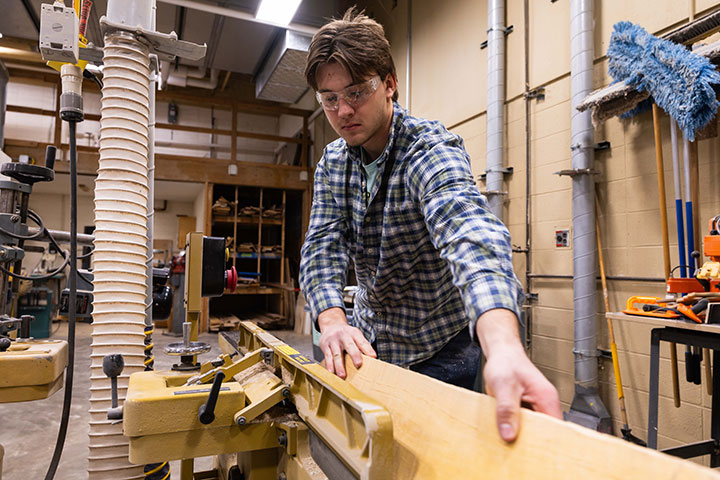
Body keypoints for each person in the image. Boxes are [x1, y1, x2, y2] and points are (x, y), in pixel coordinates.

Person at [299, 8, 561, 442]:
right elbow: (322, 245)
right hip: (370, 345)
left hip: (440, 349)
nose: (343, 111)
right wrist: (331, 321)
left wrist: (502, 345)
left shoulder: (429, 150)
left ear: (389, 84)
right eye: (329, 99)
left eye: (356, 92)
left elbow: (470, 234)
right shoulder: (333, 164)